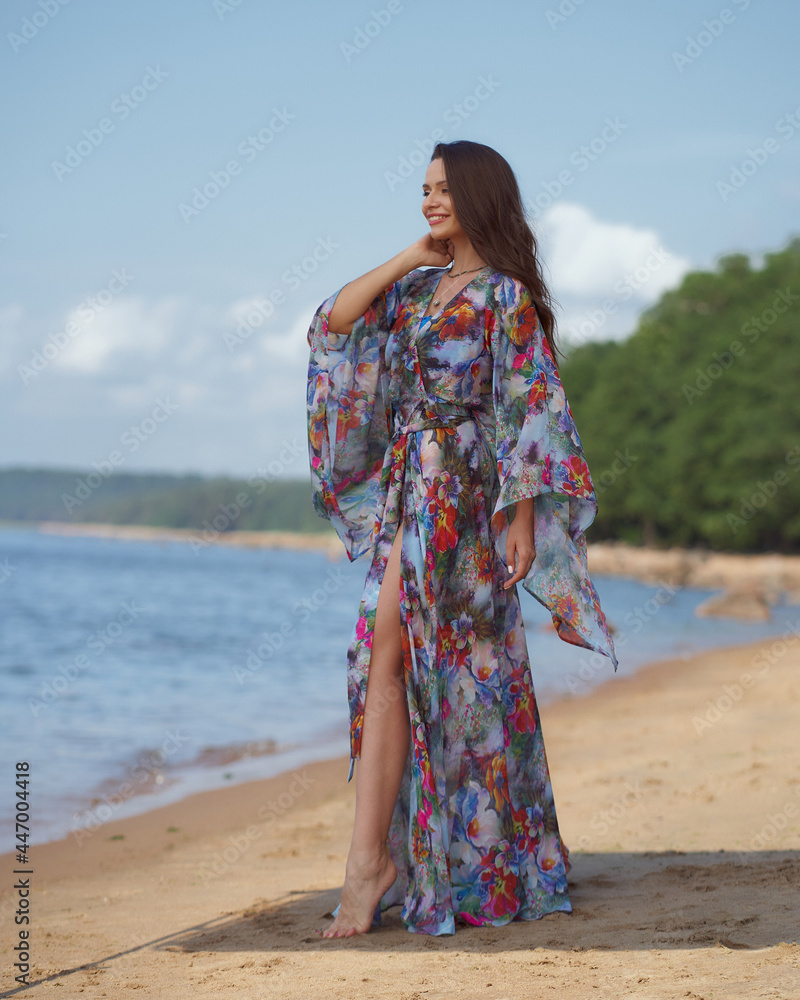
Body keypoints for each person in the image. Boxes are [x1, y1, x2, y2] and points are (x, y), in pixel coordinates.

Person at [305, 139, 618, 938]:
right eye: (422, 190)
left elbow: (528, 408)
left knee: (467, 678)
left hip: (471, 502)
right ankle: (370, 860)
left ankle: (395, 862)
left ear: (478, 193)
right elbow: (333, 327)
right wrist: (413, 254)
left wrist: (518, 517)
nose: (429, 201)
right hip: (415, 492)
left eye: (442, 190)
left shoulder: (507, 297)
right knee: (386, 650)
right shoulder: (413, 295)